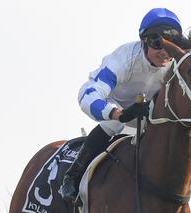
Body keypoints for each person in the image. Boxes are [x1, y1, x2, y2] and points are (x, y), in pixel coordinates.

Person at [61, 8, 183, 202]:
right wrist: (117, 113)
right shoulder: (124, 58)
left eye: (172, 43)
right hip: (115, 104)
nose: (164, 51)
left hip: (147, 106)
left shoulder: (175, 63)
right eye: (157, 42)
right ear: (144, 40)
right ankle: (72, 176)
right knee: (113, 125)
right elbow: (87, 94)